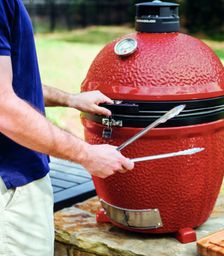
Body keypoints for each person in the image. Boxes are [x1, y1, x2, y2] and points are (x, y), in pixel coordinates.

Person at [0, 0, 134, 255]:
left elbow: (14, 84)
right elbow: (3, 107)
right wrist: (86, 154)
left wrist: (70, 99)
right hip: (10, 186)